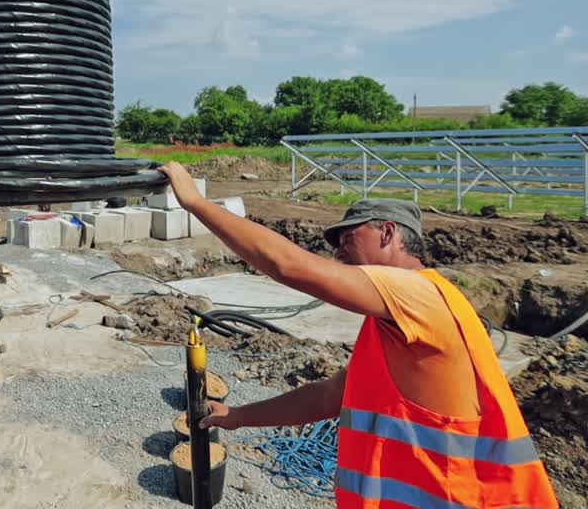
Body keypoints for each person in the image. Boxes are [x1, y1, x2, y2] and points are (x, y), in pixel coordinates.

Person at [157, 162, 558, 509]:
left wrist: (196, 202)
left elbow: (288, 266)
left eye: (349, 239)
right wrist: (241, 417)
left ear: (388, 233)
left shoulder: (419, 292)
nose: (339, 254)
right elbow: (332, 396)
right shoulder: (395, 321)